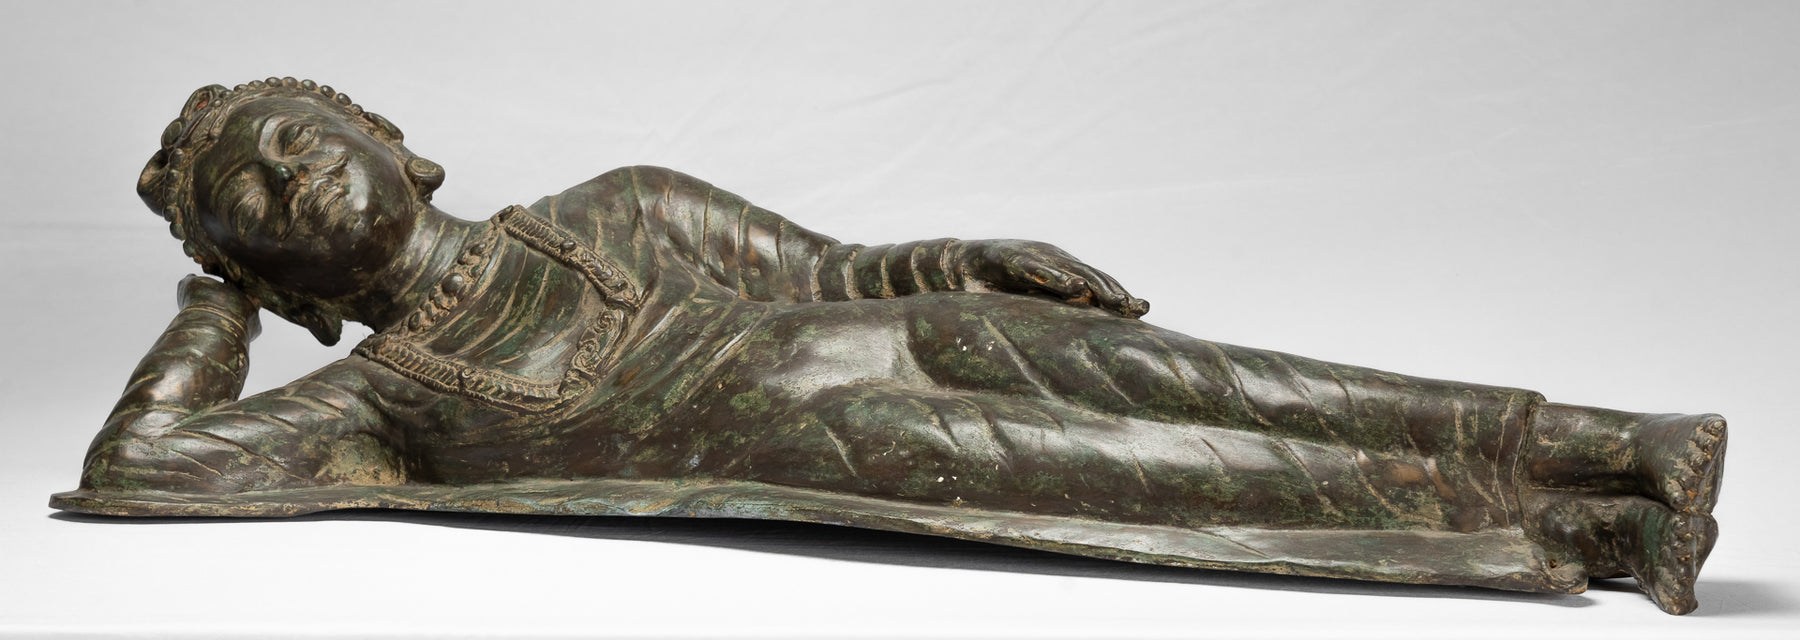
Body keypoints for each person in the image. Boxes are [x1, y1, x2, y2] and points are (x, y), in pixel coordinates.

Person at [56, 78, 1725, 614]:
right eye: (248, 201)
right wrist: (215, 307)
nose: (291, 176)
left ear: (396, 143)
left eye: (299, 134)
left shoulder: (615, 207)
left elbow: (825, 267)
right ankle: (1589, 532)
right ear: (267, 267)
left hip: (919, 341)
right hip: (871, 446)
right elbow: (141, 468)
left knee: (1238, 384)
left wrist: (968, 257)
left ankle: (1608, 436)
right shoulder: (375, 402)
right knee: (1192, 475)